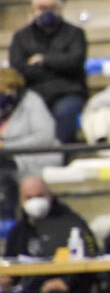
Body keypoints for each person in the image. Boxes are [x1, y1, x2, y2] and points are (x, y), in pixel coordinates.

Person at [1, 176, 106, 293]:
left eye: (39, 196)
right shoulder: (20, 231)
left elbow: (89, 256)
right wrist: (6, 279)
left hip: (67, 290)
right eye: (29, 198)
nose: (35, 202)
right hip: (27, 289)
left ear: (49, 196)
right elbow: (10, 262)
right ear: (21, 200)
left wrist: (66, 281)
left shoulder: (70, 222)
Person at [9, 0, 87, 144]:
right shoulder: (21, 37)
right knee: (27, 112)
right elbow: (18, 70)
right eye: (42, 8)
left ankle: (61, 158)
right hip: (34, 93)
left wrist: (42, 60)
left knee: (65, 112)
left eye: (52, 7)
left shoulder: (75, 33)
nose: (47, 12)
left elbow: (74, 63)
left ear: (60, 8)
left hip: (68, 92)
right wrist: (57, 65)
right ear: (32, 10)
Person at [0, 67, 61, 218]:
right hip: (7, 158)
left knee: (5, 174)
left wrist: (7, 147)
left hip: (36, 156)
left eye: (4, 89)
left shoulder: (31, 101)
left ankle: (8, 219)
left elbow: (44, 137)